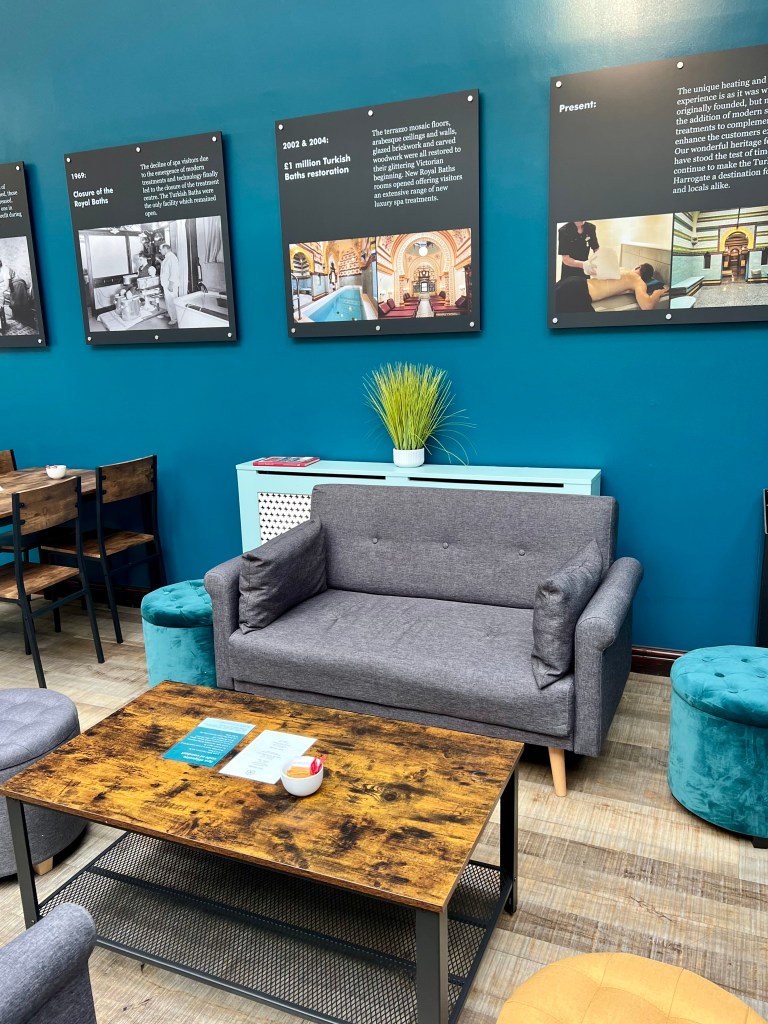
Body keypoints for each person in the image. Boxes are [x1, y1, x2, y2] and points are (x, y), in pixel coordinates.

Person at [555, 261, 669, 313]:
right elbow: (647, 306)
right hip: (579, 293)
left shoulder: (622, 269)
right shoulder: (639, 281)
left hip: (575, 281)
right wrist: (657, 293)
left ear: (638, 267)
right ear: (647, 278)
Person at [159, 243, 180, 326]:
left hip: (170, 284)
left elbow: (173, 272)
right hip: (166, 284)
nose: (160, 251)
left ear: (165, 249)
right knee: (168, 300)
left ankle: (174, 319)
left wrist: (171, 284)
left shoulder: (172, 258)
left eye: (161, 249)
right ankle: (170, 313)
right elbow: (166, 269)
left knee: (172, 301)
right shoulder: (167, 258)